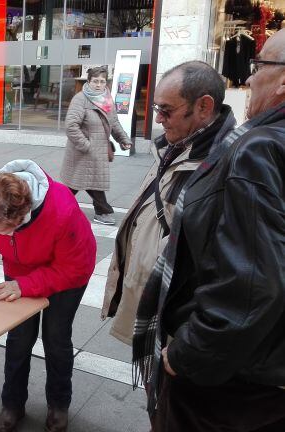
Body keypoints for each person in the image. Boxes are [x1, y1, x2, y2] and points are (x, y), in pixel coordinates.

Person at [133, 30, 285, 431]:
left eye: (260, 65)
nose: (250, 78)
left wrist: (186, 354)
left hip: (231, 385)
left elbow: (253, 286)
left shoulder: (256, 149)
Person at [101, 61, 236, 345]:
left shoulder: (230, 166)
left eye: (166, 110)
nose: (159, 119)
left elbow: (231, 275)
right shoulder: (175, 145)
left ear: (203, 107)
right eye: (156, 109)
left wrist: (189, 343)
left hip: (180, 327)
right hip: (158, 311)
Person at [0, 160, 96, 432]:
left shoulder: (61, 211)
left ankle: (58, 405)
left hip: (66, 275)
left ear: (21, 218)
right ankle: (12, 404)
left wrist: (25, 285)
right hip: (19, 271)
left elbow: (74, 268)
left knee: (56, 338)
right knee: (19, 338)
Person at [61, 66, 132, 225]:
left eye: (102, 81)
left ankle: (57, 207)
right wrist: (86, 146)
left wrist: (123, 139)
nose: (99, 85)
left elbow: (113, 121)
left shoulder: (106, 98)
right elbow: (71, 126)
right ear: (88, 81)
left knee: (84, 183)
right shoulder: (80, 99)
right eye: (95, 81)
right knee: (81, 183)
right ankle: (102, 211)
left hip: (96, 151)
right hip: (82, 151)